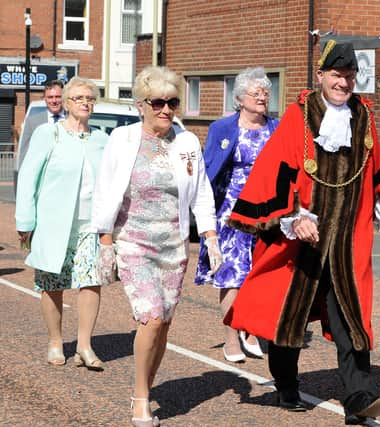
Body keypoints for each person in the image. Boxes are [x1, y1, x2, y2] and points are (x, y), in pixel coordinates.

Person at [224, 41, 380, 425]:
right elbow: (277, 171)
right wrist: (294, 216)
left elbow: (374, 169)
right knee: (290, 313)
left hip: (346, 240)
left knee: (351, 316)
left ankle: (358, 397)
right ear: (321, 76)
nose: (344, 83)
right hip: (301, 239)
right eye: (337, 76)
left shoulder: (363, 115)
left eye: (350, 77)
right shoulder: (299, 116)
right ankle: (286, 384)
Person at [91, 66, 221, 427]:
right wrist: (104, 240)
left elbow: (202, 191)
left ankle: (145, 383)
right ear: (142, 105)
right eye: (158, 102)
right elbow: (105, 189)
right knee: (151, 316)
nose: (166, 110)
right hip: (133, 242)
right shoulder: (122, 138)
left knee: (163, 324)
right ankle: (140, 395)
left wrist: (209, 236)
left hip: (173, 246)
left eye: (173, 102)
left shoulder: (187, 143)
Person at [15, 76, 108, 370]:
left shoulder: (102, 139)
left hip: (89, 225)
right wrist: (25, 220)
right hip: (54, 224)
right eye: (79, 98)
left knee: (91, 280)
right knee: (52, 283)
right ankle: (56, 340)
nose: (85, 103)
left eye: (90, 98)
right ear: (66, 103)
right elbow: (29, 177)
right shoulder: (48, 134)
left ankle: (84, 344)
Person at [194, 67, 279, 363]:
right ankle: (231, 338)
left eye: (266, 93)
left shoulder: (276, 128)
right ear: (240, 98)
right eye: (256, 93)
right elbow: (209, 169)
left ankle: (251, 329)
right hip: (232, 210)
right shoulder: (223, 128)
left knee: (259, 274)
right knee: (231, 275)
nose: (262, 98)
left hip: (268, 211)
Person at [16, 80, 66, 187]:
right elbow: (24, 153)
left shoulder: (73, 119)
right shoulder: (32, 122)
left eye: (58, 97)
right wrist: (24, 181)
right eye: (50, 97)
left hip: (66, 180)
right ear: (45, 99)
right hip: (41, 181)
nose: (54, 101)